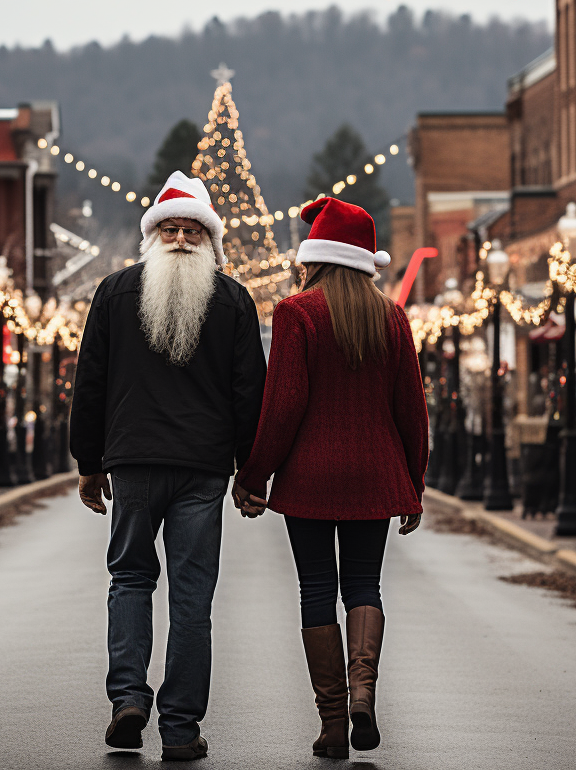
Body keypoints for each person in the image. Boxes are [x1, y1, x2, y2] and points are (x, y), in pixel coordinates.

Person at [70, 170, 266, 762]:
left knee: (130, 579)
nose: (180, 239)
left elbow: (91, 384)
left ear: (206, 240)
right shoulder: (232, 300)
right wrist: (250, 472)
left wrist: (90, 462)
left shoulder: (115, 292)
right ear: (155, 236)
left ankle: (129, 698)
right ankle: (180, 728)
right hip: (203, 468)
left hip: (132, 461)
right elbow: (248, 394)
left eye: (189, 231)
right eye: (173, 229)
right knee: (191, 595)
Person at [232, 197, 428, 760]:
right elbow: (411, 408)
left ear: (314, 256)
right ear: (366, 259)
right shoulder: (391, 316)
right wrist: (413, 481)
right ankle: (364, 693)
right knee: (364, 585)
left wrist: (253, 474)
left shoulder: (298, 313)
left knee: (316, 590)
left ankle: (334, 722)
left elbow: (284, 404)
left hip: (310, 478)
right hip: (375, 474)